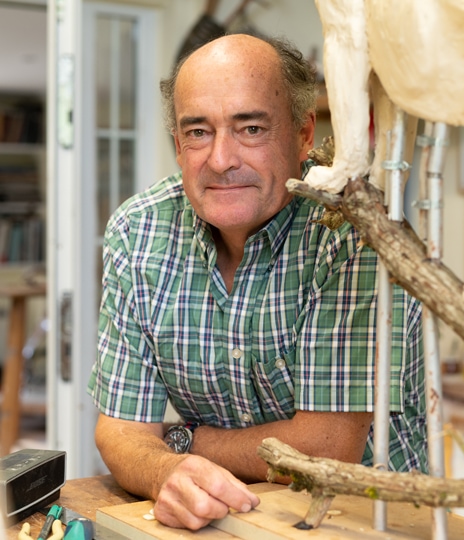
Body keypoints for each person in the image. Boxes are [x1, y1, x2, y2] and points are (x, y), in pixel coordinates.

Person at [87, 33, 427, 531]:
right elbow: (118, 431)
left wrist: (184, 440)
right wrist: (167, 471)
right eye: (198, 132)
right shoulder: (138, 231)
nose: (221, 159)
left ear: (304, 134)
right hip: (221, 523)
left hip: (367, 524)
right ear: (177, 145)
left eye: (249, 128)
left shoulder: (356, 232)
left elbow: (326, 449)